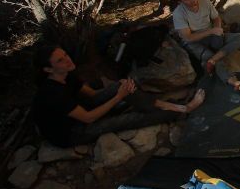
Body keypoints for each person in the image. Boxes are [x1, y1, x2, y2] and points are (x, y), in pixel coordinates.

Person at [32, 45, 205, 148]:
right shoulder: (53, 93)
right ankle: (183, 109)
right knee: (130, 119)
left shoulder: (67, 75)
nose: (67, 60)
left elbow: (93, 95)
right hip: (71, 133)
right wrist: (118, 97)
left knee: (121, 87)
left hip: (81, 111)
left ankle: (165, 105)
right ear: (48, 69)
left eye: (65, 55)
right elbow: (88, 118)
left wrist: (122, 89)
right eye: (60, 61)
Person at [171, 0, 240, 89]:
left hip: (211, 35)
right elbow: (188, 37)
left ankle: (213, 59)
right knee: (213, 58)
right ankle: (232, 81)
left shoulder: (205, 2)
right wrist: (212, 31)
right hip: (195, 42)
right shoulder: (178, 14)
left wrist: (218, 30)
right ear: (180, 2)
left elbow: (216, 18)